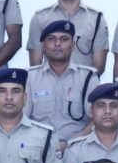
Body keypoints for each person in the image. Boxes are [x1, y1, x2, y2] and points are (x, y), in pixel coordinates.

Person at [26, 20, 100, 153]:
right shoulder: (29, 78)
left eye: (64, 39)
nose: (57, 44)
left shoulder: (88, 77)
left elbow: (97, 119)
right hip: (38, 149)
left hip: (78, 148)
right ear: (43, 46)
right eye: (51, 39)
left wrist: (71, 144)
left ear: (73, 45)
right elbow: (22, 120)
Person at [27, 0, 108, 75]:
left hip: (85, 84)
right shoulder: (40, 18)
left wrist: (83, 82)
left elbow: (99, 66)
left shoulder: (96, 20)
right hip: (49, 84)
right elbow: (35, 65)